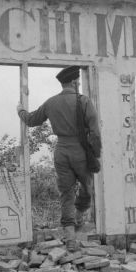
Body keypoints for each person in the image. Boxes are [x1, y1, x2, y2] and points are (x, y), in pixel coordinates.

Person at [16, 65, 101, 252]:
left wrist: (20, 111)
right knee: (87, 188)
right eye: (77, 81)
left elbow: (31, 120)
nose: (78, 83)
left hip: (61, 151)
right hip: (80, 151)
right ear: (73, 81)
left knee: (66, 193)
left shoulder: (51, 102)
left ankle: (70, 238)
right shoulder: (84, 101)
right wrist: (96, 154)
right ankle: (79, 217)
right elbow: (94, 131)